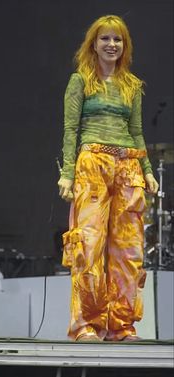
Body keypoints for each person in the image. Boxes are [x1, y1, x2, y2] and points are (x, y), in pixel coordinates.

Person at [58, 15, 159, 342]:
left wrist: (147, 171)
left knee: (128, 252)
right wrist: (67, 173)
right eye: (105, 39)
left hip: (128, 167)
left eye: (117, 39)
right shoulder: (80, 81)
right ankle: (85, 324)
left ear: (124, 45)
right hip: (93, 165)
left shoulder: (132, 85)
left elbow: (137, 132)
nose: (111, 45)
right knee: (88, 245)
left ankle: (121, 325)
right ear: (94, 43)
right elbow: (70, 129)